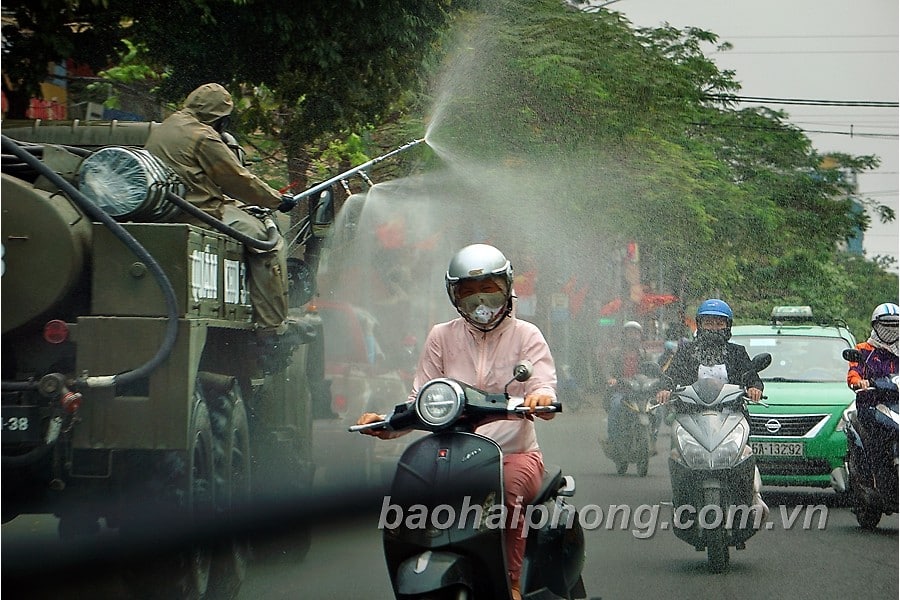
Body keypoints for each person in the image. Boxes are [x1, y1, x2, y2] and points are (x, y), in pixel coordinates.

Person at [356, 243, 556, 600]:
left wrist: (539, 397)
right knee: (405, 499)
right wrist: (388, 423)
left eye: (490, 291)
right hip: (449, 456)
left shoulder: (527, 335)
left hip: (514, 454)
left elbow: (541, 381)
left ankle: (510, 583)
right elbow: (421, 398)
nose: (481, 302)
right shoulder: (441, 336)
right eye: (469, 293)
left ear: (507, 289)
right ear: (455, 297)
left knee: (507, 494)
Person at [145, 82, 298, 335]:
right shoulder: (202, 135)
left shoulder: (169, 125)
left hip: (166, 209)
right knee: (266, 242)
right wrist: (277, 200)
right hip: (199, 212)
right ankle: (272, 327)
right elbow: (237, 179)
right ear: (220, 118)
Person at [656, 298, 768, 516]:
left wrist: (755, 388)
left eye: (719, 323)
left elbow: (752, 378)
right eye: (709, 323)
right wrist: (664, 389)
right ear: (699, 325)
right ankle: (681, 499)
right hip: (691, 416)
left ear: (728, 327)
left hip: (731, 415)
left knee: (746, 453)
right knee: (676, 454)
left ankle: (751, 495)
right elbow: (670, 377)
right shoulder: (686, 351)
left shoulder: (737, 352)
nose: (714, 328)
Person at [846, 302, 899, 443]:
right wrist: (859, 382)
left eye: (895, 325)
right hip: (871, 403)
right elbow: (854, 373)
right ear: (875, 326)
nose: (891, 329)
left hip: (897, 403)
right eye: (886, 325)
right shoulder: (863, 349)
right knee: (876, 442)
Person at [602, 321, 650, 445]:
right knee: (616, 407)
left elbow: (653, 371)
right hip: (621, 391)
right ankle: (612, 440)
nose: (633, 336)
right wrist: (611, 379)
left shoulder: (645, 354)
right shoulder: (615, 353)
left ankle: (652, 439)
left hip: (641, 393)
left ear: (640, 336)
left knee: (657, 411)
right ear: (624, 335)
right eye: (630, 333)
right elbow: (608, 369)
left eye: (636, 333)